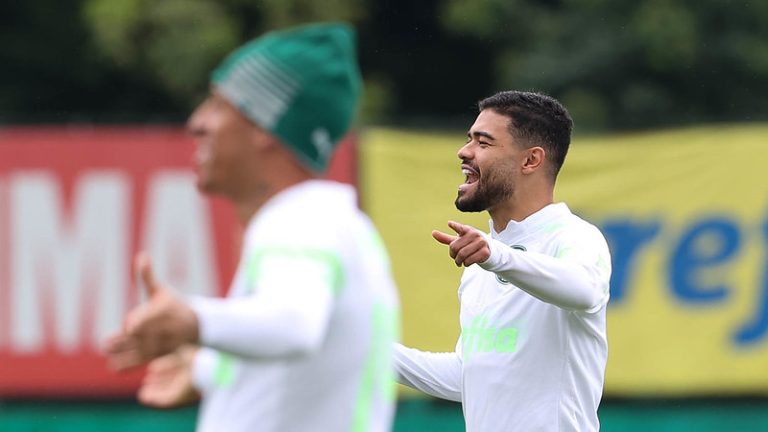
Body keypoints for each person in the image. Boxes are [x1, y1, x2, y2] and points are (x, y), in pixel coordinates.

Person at [104, 22, 400, 432]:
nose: (197, 123)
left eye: (219, 106)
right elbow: (292, 347)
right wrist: (205, 367)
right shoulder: (330, 223)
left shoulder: (298, 220)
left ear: (265, 127)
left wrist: (195, 320)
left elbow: (294, 325)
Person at [394, 91, 611, 431]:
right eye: (469, 140)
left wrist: (496, 257)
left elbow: (585, 290)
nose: (464, 152)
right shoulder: (486, 256)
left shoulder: (574, 236)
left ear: (530, 160)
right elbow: (471, 375)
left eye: (484, 142)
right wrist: (369, 349)